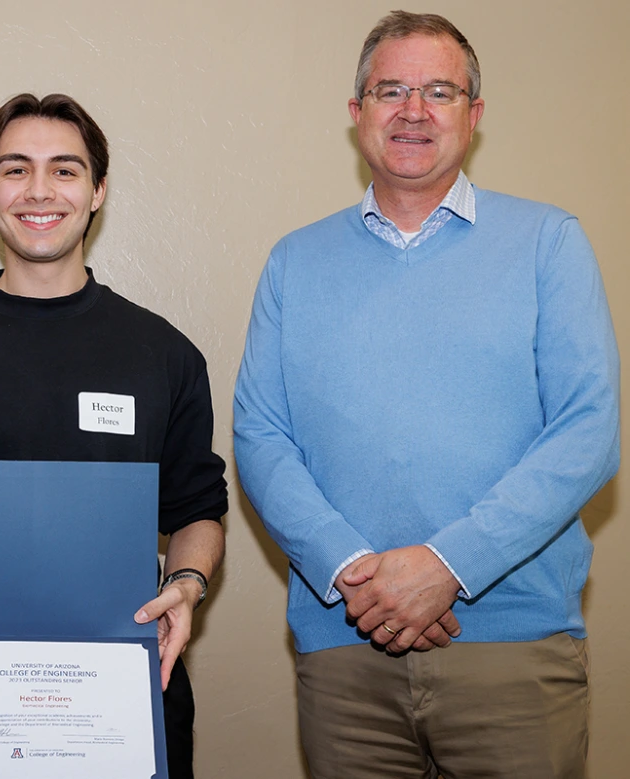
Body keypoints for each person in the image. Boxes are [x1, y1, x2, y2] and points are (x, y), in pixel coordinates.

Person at [234, 11, 619, 778]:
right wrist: (355, 572)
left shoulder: (549, 242)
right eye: (391, 90)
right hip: (347, 651)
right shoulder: (293, 262)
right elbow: (260, 435)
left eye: (440, 91)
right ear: (357, 114)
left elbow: (588, 431)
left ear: (473, 115)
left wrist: (448, 563)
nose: (414, 110)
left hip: (512, 654)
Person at [0, 93, 228, 778]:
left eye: (65, 170)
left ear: (98, 193)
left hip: (126, 694)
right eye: (14, 169)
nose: (39, 190)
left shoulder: (164, 353)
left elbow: (198, 509)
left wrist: (186, 582)